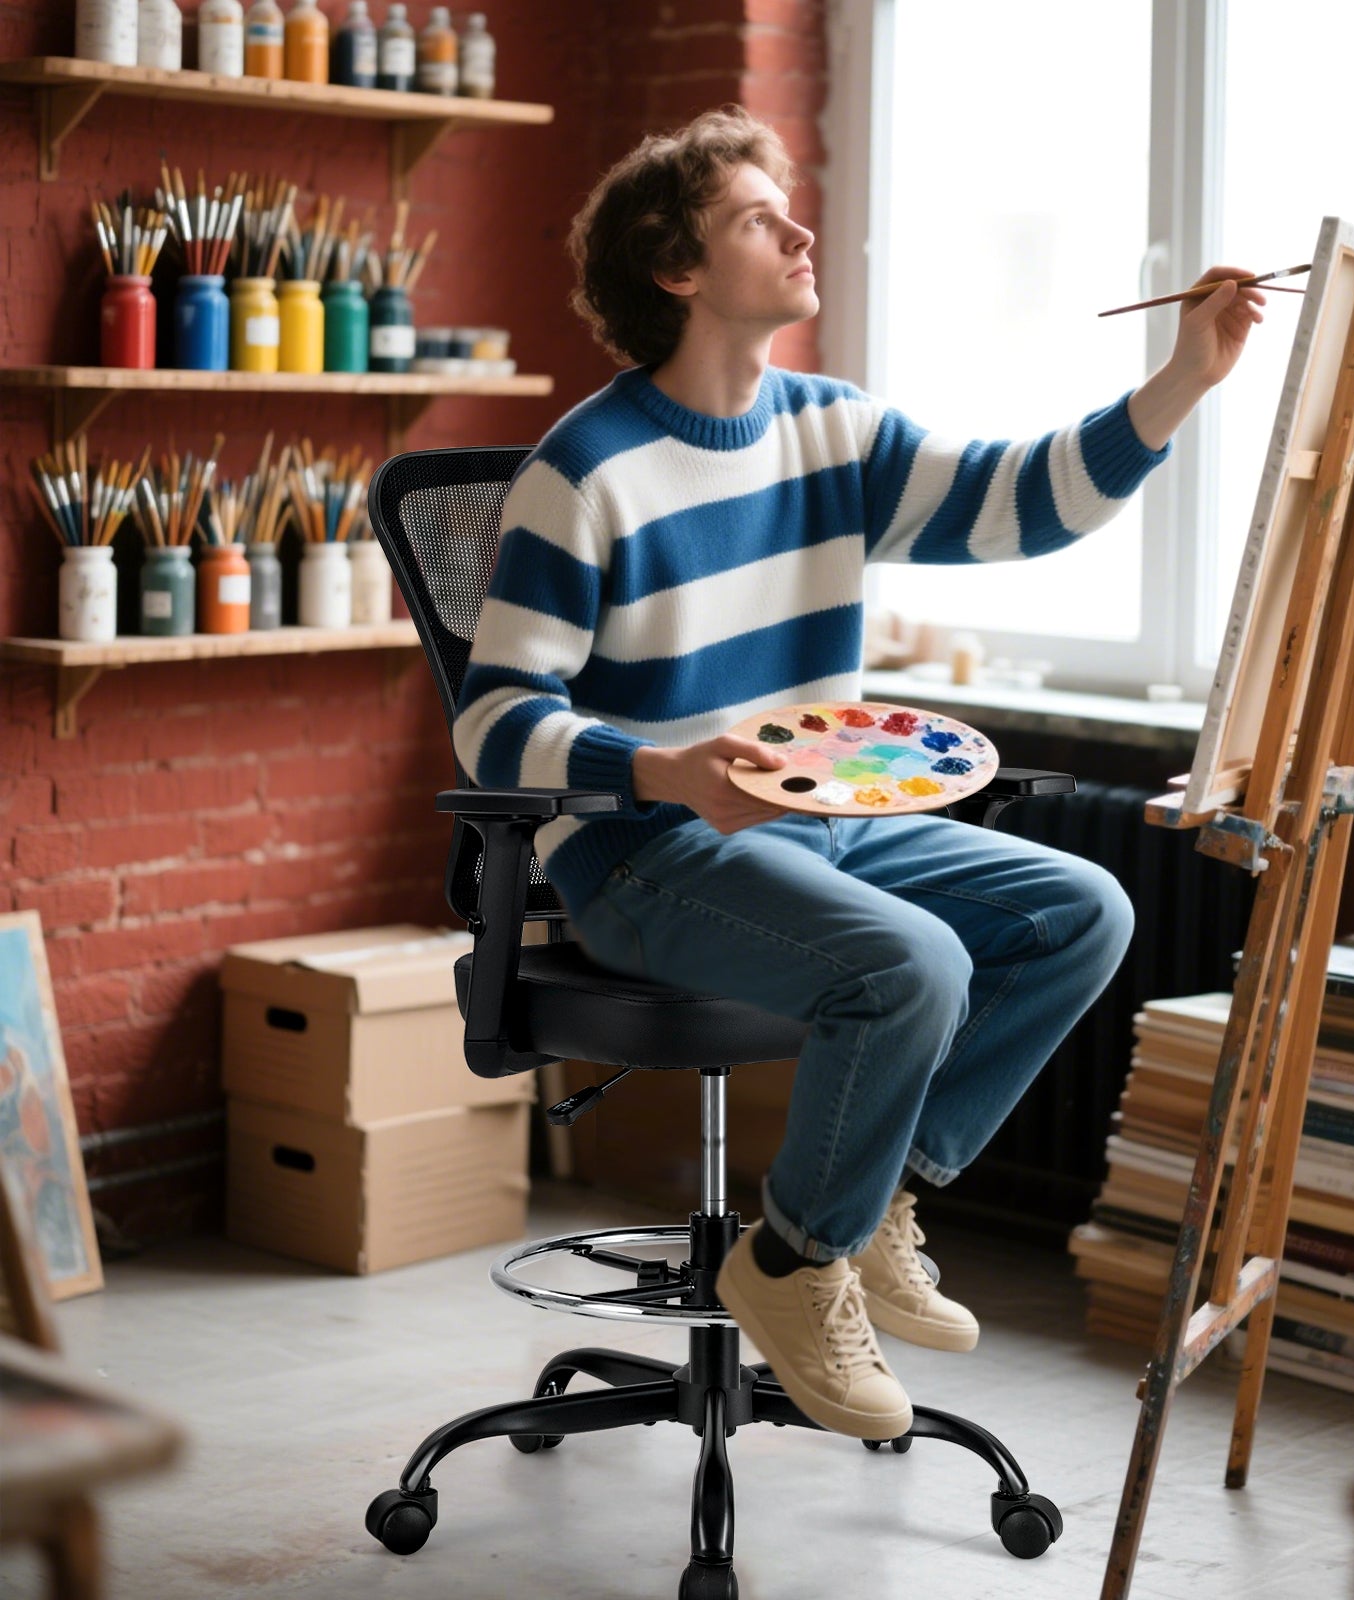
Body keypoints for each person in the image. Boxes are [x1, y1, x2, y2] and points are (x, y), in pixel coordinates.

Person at [454, 106, 1264, 1442]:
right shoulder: (582, 473)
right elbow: (493, 721)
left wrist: (1184, 379)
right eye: (759, 218)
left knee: (1086, 911)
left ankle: (876, 1195)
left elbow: (1027, 501)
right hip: (647, 857)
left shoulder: (835, 432)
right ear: (678, 268)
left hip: (825, 828)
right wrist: (661, 772)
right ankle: (786, 1265)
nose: (800, 228)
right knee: (916, 968)